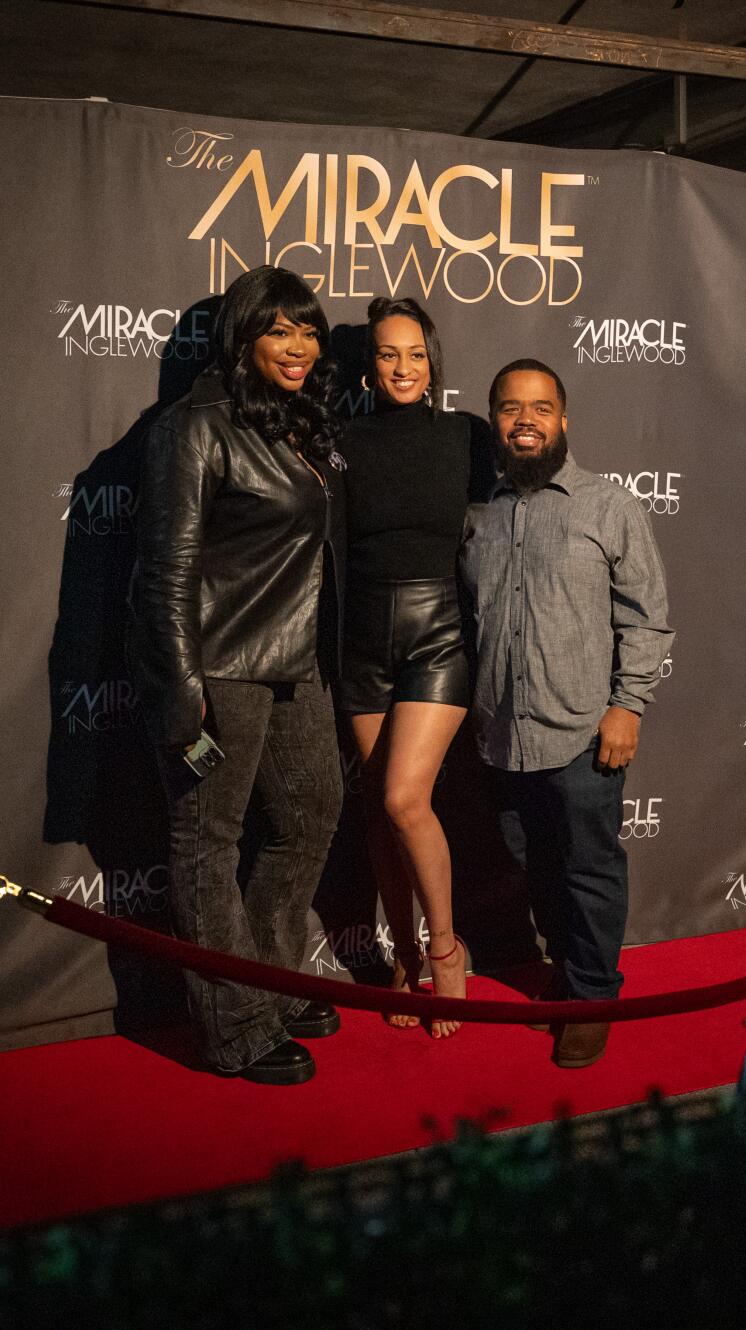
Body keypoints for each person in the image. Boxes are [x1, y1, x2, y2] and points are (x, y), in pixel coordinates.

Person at [130, 266, 346, 1085]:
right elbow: (167, 569)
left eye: (310, 330)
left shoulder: (293, 421)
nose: (299, 347)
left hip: (297, 663)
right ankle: (234, 1024)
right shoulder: (196, 425)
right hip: (220, 666)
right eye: (280, 330)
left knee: (312, 813)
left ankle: (275, 979)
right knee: (207, 845)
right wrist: (181, 690)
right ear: (243, 336)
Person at [459, 359, 673, 1068]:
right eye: (511, 408)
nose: (526, 420)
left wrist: (627, 705)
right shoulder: (479, 511)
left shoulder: (608, 505)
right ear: (494, 419)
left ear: (564, 419)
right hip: (501, 734)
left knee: (588, 868)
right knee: (536, 864)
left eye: (541, 408)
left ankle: (590, 997)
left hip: (584, 730)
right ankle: (568, 970)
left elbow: (647, 620)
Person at [332, 297, 495, 1039]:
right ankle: (401, 959)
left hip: (436, 634)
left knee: (404, 798)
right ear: (371, 364)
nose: (403, 366)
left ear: (434, 363)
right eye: (388, 353)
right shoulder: (341, 440)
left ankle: (445, 949)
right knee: (377, 811)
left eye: (416, 354)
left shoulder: (467, 437)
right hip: (360, 641)